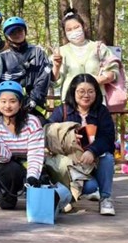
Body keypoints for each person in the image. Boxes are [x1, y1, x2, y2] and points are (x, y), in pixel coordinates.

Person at [47, 74, 116, 215]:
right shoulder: (62, 111)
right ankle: (68, 197)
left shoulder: (102, 111)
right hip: (69, 163)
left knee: (108, 158)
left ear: (96, 93)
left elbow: (108, 138)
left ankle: (105, 198)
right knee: (90, 187)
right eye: (81, 91)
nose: (86, 95)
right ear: (73, 92)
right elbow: (49, 131)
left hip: (92, 163)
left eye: (91, 91)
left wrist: (92, 151)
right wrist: (69, 136)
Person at [0, 81, 44, 210]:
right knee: (10, 169)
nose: (7, 106)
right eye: (3, 101)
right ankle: (9, 198)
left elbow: (35, 153)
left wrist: (32, 176)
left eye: (12, 101)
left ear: (20, 103)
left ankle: (53, 201)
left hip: (29, 163)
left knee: (42, 179)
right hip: (7, 165)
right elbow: (4, 157)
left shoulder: (32, 123)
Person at [51, 7, 119, 101]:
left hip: (97, 102)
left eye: (76, 27)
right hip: (70, 102)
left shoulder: (99, 48)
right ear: (65, 32)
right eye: (69, 30)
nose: (74, 32)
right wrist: (56, 66)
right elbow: (54, 83)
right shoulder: (60, 52)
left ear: (83, 26)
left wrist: (98, 80)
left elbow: (114, 72)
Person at [0, 16, 52, 121]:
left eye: (19, 30)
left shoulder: (38, 52)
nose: (17, 34)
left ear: (25, 31)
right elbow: (1, 83)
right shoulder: (3, 57)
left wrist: (33, 99)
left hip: (36, 106)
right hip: (12, 106)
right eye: (12, 32)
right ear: (7, 36)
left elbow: (44, 77)